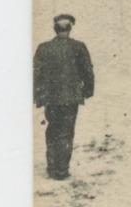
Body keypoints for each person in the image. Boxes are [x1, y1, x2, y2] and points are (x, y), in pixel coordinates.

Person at [33, 14, 95, 180]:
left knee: (52, 130)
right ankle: (62, 170)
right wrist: (88, 90)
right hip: (71, 98)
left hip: (51, 99)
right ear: (70, 29)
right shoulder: (78, 47)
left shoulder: (43, 48)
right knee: (67, 132)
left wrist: (38, 97)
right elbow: (87, 71)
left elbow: (36, 74)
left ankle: (52, 168)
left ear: (55, 29)